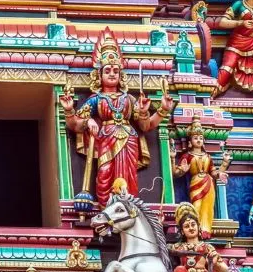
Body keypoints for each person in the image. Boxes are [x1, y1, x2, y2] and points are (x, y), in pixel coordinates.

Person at [61, 27, 174, 204]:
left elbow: (146, 126)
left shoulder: (128, 99)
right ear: (99, 75)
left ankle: (129, 210)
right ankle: (106, 211)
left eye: (115, 70)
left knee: (128, 178)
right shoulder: (95, 99)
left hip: (129, 140)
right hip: (105, 140)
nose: (112, 74)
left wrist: (160, 111)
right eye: (107, 71)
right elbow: (75, 125)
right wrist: (72, 112)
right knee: (104, 174)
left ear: (121, 75)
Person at [171, 114, 231, 240]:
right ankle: (194, 230)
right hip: (195, 183)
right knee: (196, 206)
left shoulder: (208, 157)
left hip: (208, 183)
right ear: (190, 141)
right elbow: (176, 173)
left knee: (208, 208)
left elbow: (214, 173)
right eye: (195, 138)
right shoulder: (187, 156)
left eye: (200, 138)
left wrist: (224, 164)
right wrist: (172, 158)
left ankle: (205, 230)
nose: (198, 140)